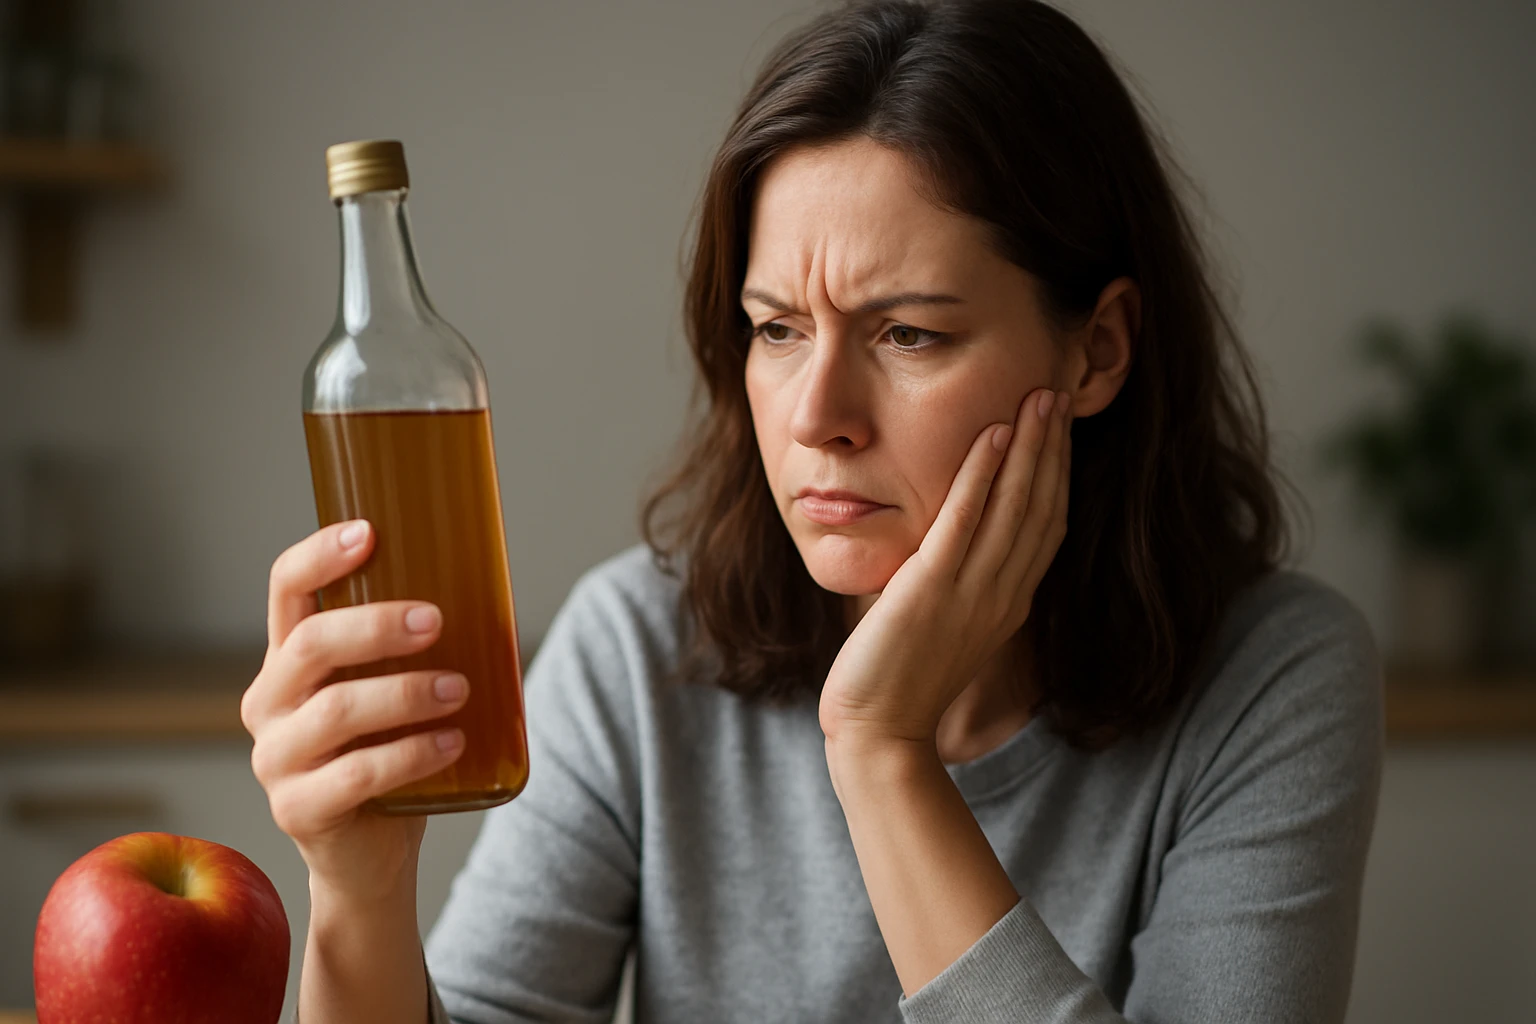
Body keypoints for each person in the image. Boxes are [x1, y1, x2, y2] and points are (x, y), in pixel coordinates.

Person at [241, 1, 1383, 1021]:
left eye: (908, 334)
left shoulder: (1274, 676)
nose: (816, 416)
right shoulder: (635, 649)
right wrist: (362, 890)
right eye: (778, 329)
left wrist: (884, 755)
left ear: (1099, 351)